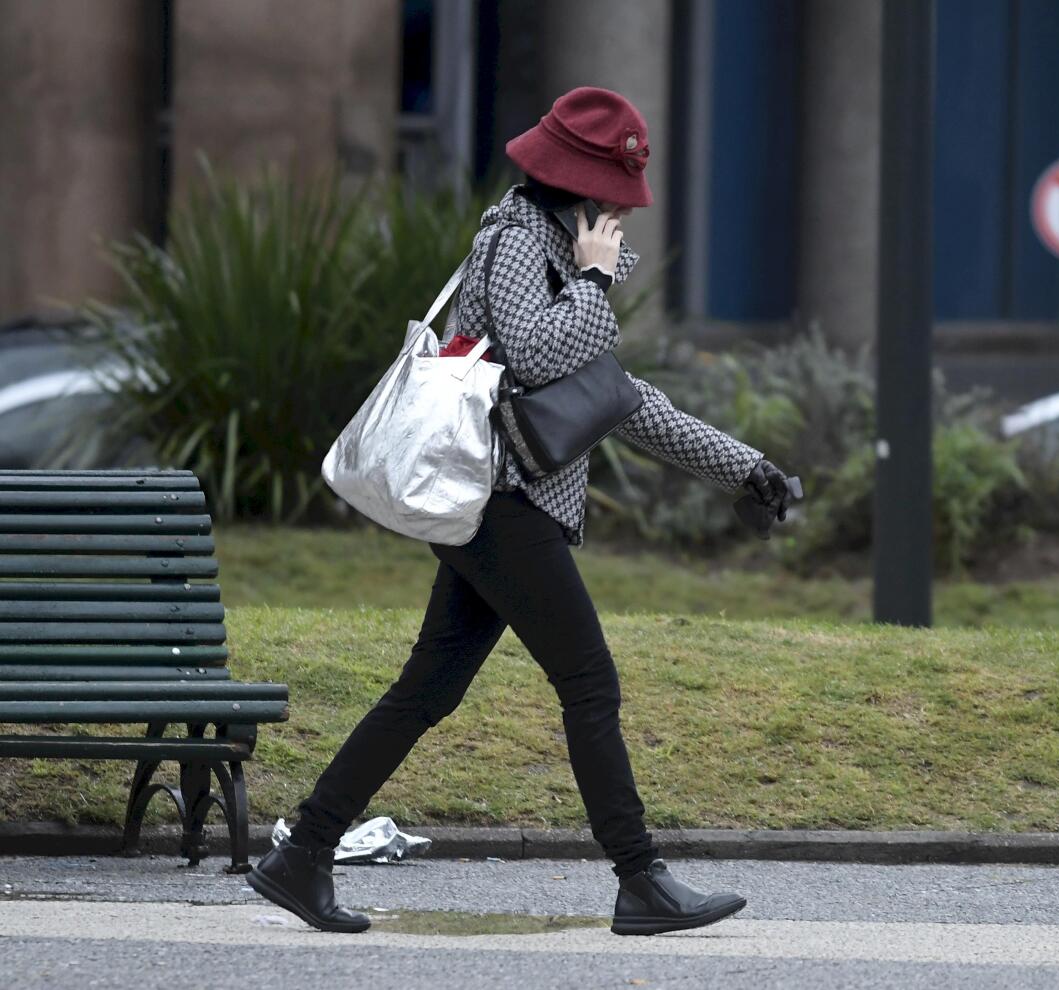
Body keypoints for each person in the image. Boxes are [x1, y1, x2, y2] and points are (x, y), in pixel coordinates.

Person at [245, 87, 796, 937]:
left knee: (424, 692)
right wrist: (590, 280)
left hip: (504, 507)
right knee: (589, 683)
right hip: (505, 502)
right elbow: (538, 357)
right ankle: (640, 880)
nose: (620, 211)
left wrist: (746, 467)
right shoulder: (516, 243)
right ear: (578, 184)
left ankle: (301, 854)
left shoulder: (559, 256)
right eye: (612, 192)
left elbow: (620, 400)